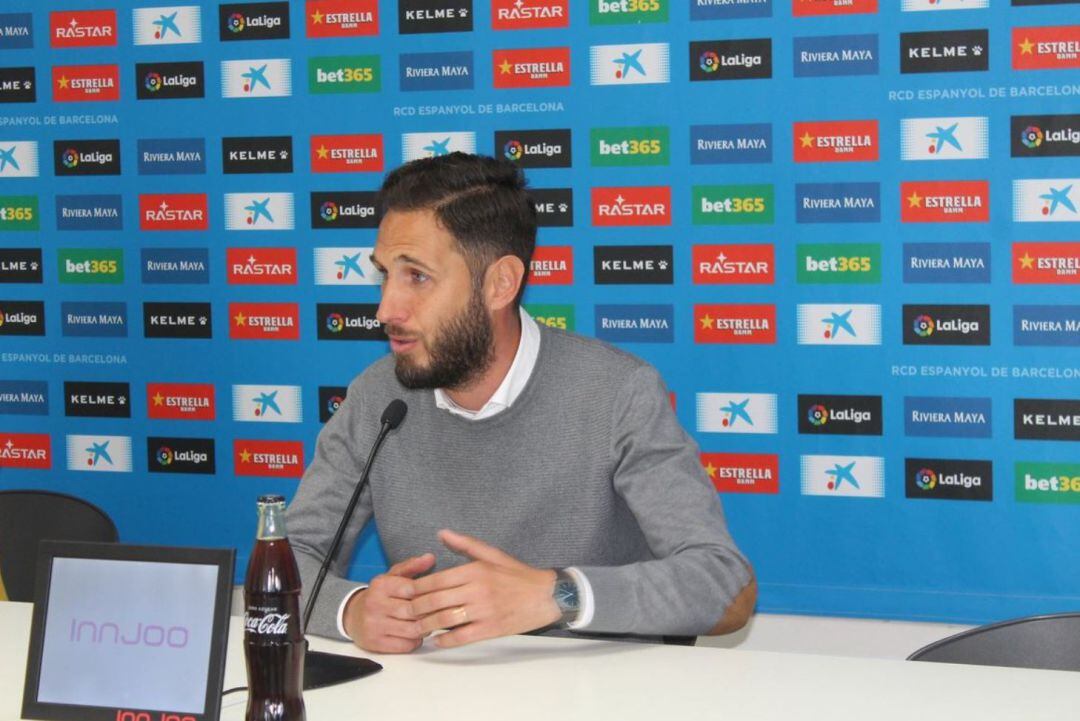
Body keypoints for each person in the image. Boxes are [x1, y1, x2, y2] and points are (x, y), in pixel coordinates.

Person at [287, 152, 756, 653]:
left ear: (500, 284)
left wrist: (559, 594)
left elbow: (725, 589)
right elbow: (284, 559)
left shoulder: (617, 392)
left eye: (417, 277)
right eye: (385, 273)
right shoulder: (378, 398)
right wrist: (351, 608)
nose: (386, 309)